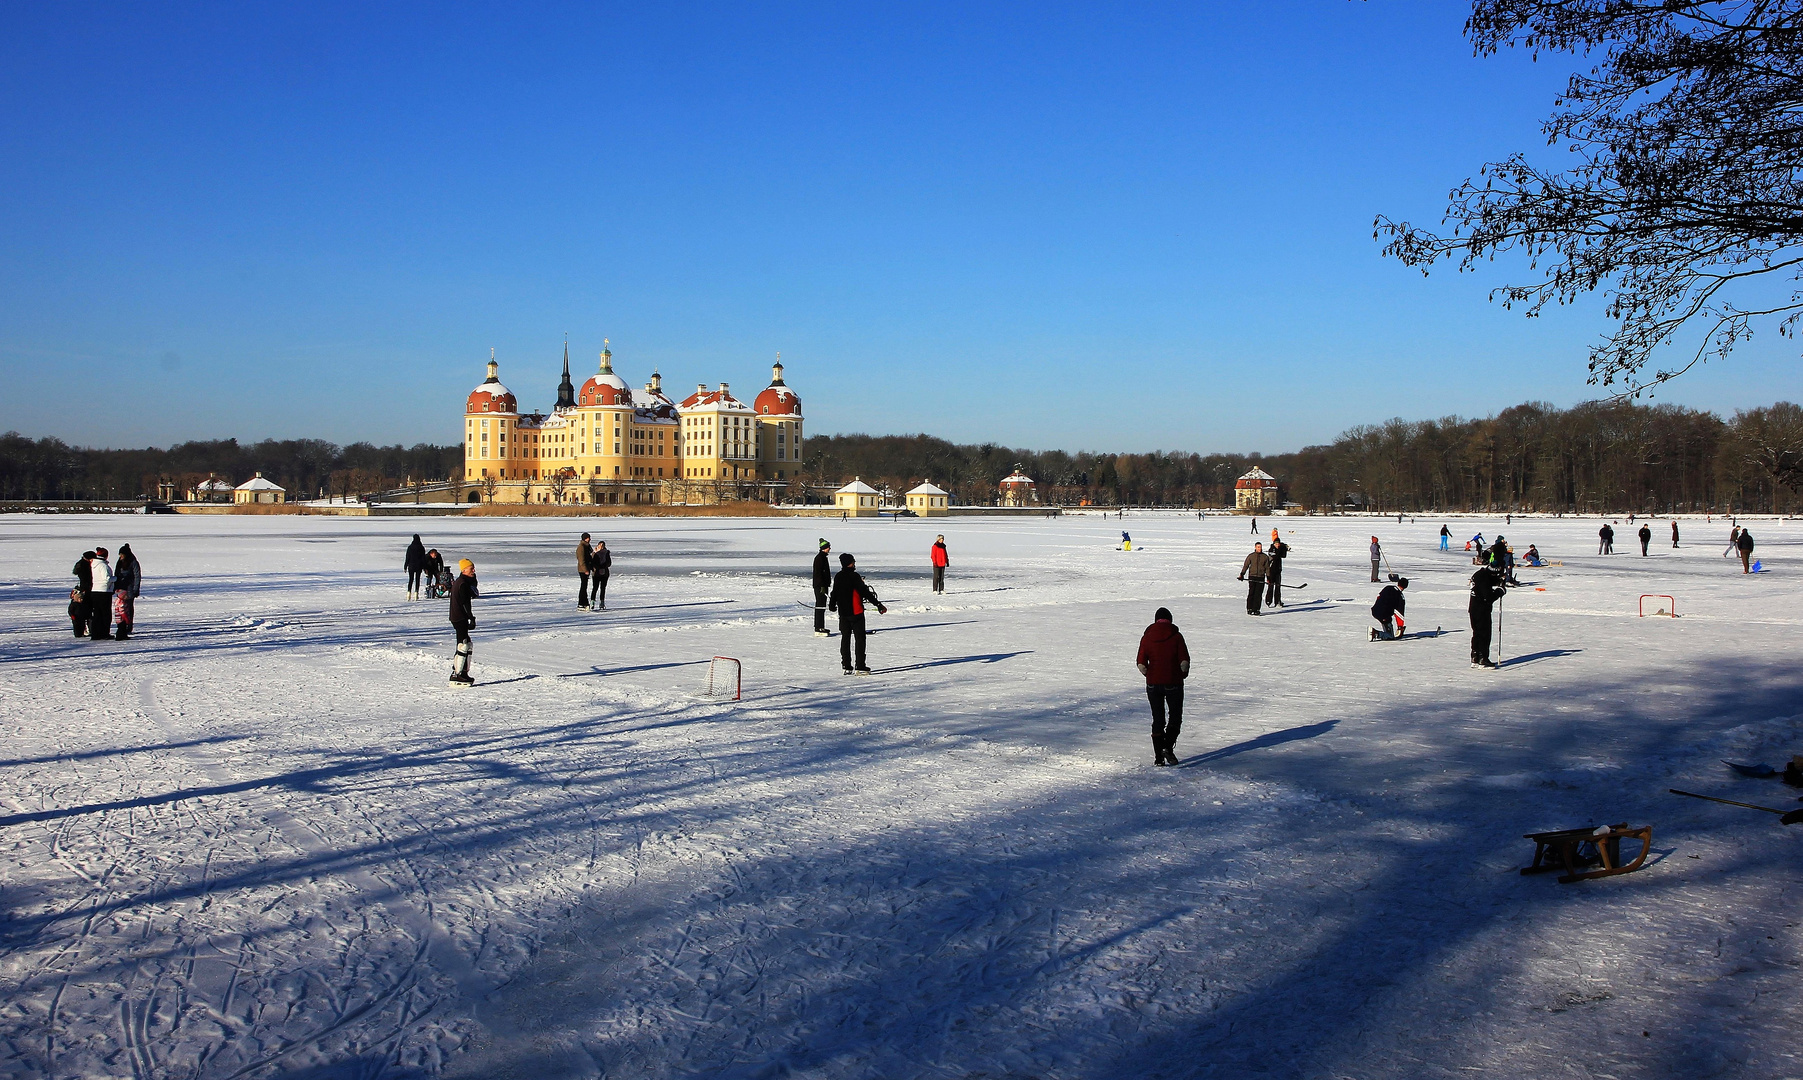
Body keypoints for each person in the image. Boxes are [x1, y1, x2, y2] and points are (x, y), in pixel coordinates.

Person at [1136, 607, 1190, 766]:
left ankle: (1159, 758)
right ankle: (1167, 747)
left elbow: (1141, 662)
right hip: (1173, 682)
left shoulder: (1147, 637)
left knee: (1158, 719)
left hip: (1153, 684)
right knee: (1175, 717)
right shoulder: (1177, 636)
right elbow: (1184, 662)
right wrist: (1181, 675)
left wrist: (1149, 675)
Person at [828, 553, 887, 674]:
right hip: (856, 612)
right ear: (850, 563)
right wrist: (878, 604)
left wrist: (832, 605)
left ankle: (846, 665)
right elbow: (865, 592)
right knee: (860, 639)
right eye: (853, 561)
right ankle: (860, 665)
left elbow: (834, 592)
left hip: (843, 613)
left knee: (845, 638)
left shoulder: (838, 576)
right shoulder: (854, 576)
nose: (854, 563)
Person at [1469, 562, 1507, 668]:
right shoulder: (1484, 578)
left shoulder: (1480, 574)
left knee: (1477, 633)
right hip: (1481, 610)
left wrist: (1499, 581)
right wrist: (1500, 591)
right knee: (1484, 634)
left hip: (1473, 609)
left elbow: (1487, 582)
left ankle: (1475, 656)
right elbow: (1488, 597)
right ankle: (1483, 658)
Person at [449, 558, 479, 685]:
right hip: (459, 617)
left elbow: (473, 593)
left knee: (467, 644)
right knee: (463, 644)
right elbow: (465, 603)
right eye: (471, 568)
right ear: (464, 570)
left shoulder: (461, 581)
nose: (473, 570)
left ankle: (462, 672)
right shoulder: (462, 584)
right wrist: (471, 618)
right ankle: (457, 673)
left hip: (457, 616)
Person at [113, 543, 141, 640]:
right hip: (120, 588)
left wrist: (135, 589)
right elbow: (116, 573)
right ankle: (121, 625)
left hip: (129, 589)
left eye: (122, 555)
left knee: (128, 607)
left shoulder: (133, 562)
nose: (120, 557)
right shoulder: (119, 562)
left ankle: (128, 625)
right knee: (120, 607)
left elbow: (137, 576)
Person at [87, 547, 114, 640]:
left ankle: (96, 633)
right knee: (105, 614)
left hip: (95, 591)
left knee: (97, 614)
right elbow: (107, 578)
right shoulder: (103, 565)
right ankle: (104, 633)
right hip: (104, 592)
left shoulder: (93, 564)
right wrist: (116, 578)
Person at [1238, 542, 1270, 616]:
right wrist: (1242, 574)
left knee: (1258, 594)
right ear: (1255, 547)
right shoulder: (1251, 556)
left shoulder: (1265, 557)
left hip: (1261, 577)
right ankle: (1249, 608)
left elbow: (1267, 568)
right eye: (1258, 547)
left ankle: (1256, 609)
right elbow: (1246, 565)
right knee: (1251, 593)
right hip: (1252, 576)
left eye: (1260, 547)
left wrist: (1268, 577)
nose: (1259, 548)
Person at [71, 549, 94, 637]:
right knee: (87, 611)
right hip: (87, 589)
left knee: (83, 611)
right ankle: (88, 629)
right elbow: (86, 579)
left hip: (83, 589)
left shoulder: (80, 564)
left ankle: (83, 630)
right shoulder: (85, 566)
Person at [812, 539, 832, 635]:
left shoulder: (823, 557)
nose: (830, 549)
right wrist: (822, 586)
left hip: (823, 586)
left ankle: (821, 626)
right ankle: (818, 627)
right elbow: (818, 574)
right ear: (825, 548)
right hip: (820, 586)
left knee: (822, 606)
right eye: (828, 547)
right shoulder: (820, 558)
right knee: (820, 606)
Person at [1264, 537, 1289, 608]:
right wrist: (1282, 547)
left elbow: (1283, 556)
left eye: (1278, 544)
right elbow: (1276, 556)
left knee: (1278, 587)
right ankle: (1269, 601)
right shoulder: (1271, 549)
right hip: (1271, 571)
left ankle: (1278, 601)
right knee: (1270, 586)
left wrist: (1284, 549)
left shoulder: (1279, 549)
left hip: (1278, 571)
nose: (1277, 545)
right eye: (1276, 544)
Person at [404, 534, 427, 599]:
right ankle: (416, 593)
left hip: (411, 566)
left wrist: (405, 566)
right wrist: (424, 567)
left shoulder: (410, 547)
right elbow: (423, 558)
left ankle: (408, 593)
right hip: (419, 566)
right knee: (417, 579)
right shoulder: (421, 547)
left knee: (411, 579)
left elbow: (407, 557)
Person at [590, 540, 612, 609]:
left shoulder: (606, 553)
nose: (601, 547)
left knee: (603, 588)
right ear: (598, 545)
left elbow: (609, 563)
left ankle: (602, 603)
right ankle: (592, 602)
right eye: (600, 545)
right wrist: (597, 567)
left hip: (605, 573)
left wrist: (604, 566)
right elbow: (592, 562)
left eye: (603, 545)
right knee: (595, 588)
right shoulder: (594, 553)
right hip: (596, 573)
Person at [576, 533, 594, 610]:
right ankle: (581, 603)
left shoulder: (586, 546)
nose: (589, 539)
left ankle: (584, 603)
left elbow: (590, 554)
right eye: (588, 538)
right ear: (585, 538)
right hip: (583, 570)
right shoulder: (581, 547)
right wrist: (585, 570)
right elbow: (581, 560)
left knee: (584, 586)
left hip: (586, 569)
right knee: (583, 587)